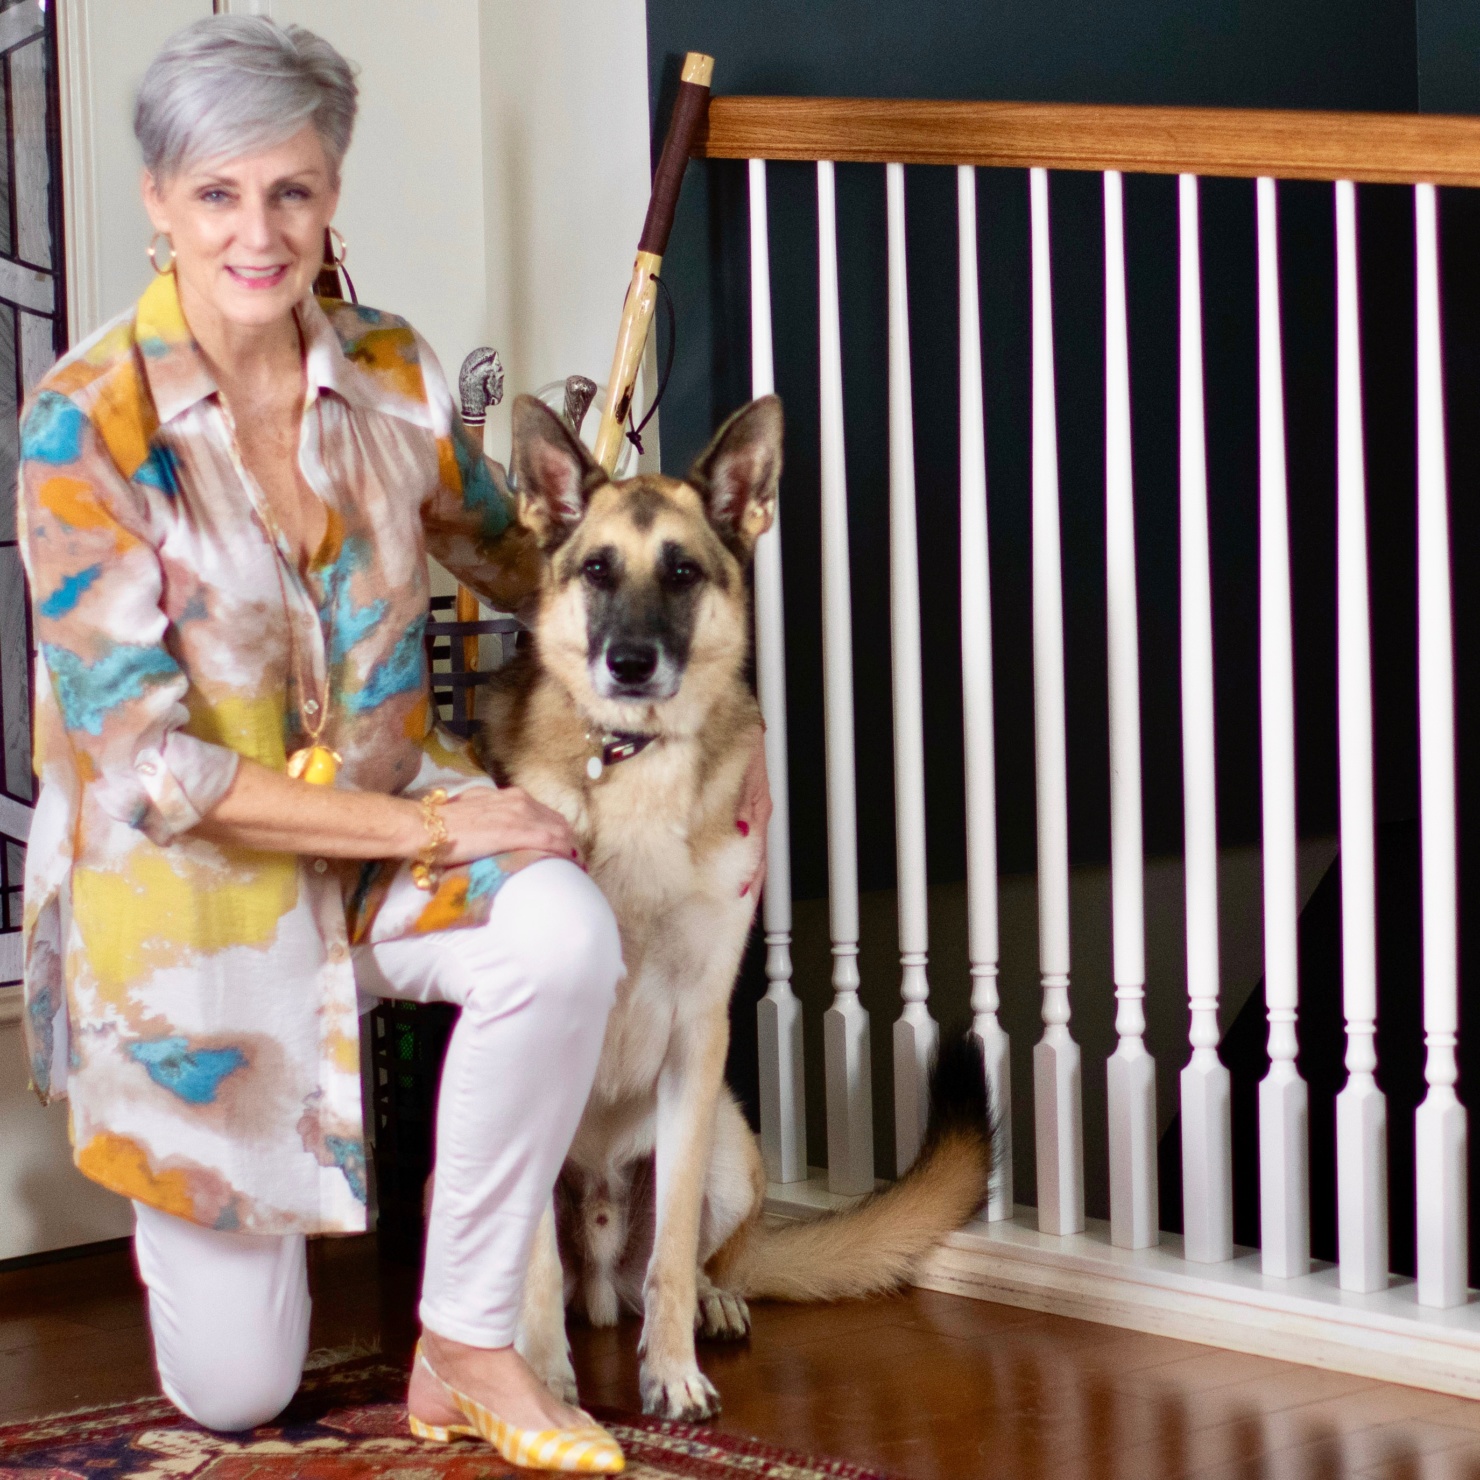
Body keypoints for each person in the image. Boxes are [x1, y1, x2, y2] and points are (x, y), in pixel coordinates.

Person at [15, 16, 768, 1473]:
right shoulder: (81, 432)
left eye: (291, 190)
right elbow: (160, 774)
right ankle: (222, 1242)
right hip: (192, 919)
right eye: (220, 193)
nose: (259, 229)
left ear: (331, 197)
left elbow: (533, 560)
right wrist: (440, 827)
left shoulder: (389, 375)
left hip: (371, 870)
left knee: (557, 925)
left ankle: (467, 1335)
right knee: (236, 1393)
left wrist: (702, 716)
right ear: (159, 202)